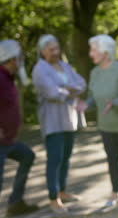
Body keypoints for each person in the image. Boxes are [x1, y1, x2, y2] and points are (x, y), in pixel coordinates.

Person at [76, 34, 118, 208]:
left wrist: (115, 103)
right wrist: (84, 105)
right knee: (111, 159)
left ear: (105, 52)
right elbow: (92, 98)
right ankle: (115, 192)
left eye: (94, 50)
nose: (91, 54)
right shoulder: (94, 72)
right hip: (105, 126)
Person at [32, 34, 86, 214]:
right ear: (42, 51)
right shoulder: (39, 69)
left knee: (65, 157)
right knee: (54, 159)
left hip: (69, 120)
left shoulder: (64, 66)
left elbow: (81, 83)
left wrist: (66, 90)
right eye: (51, 49)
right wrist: (68, 90)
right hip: (52, 122)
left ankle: (62, 191)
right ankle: (53, 198)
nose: (55, 52)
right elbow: (51, 93)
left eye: (57, 48)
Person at [0, 39, 39, 216]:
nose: (22, 60)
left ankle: (16, 203)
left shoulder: (9, 78)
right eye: (19, 57)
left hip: (8, 140)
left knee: (27, 156)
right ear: (12, 58)